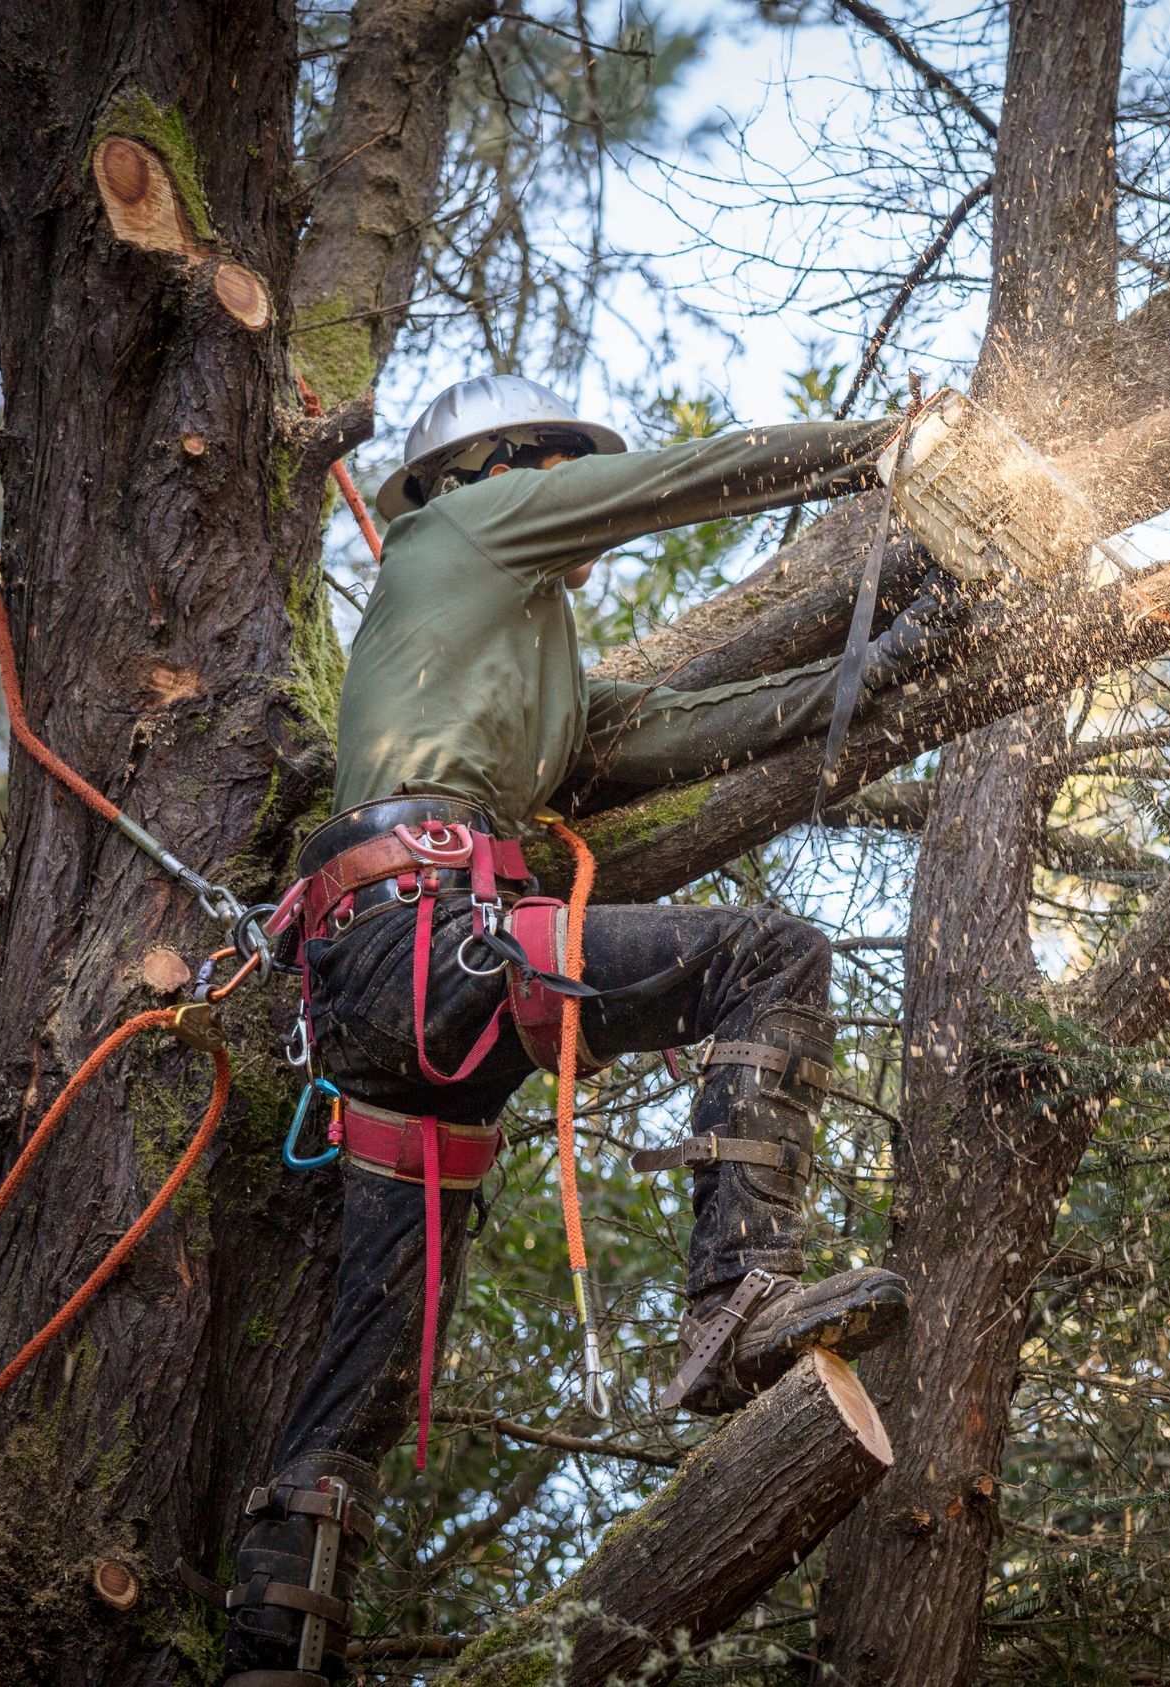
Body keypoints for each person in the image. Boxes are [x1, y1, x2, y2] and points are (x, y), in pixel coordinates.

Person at [222, 374, 922, 1684]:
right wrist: (876, 448)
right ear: (498, 467)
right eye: (547, 468)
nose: (566, 496)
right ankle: (732, 1297)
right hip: (420, 947)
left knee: (368, 1378)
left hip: (422, 1002)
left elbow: (675, 735)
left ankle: (275, 1645)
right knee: (768, 955)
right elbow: (676, 480)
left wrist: (888, 660)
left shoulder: (527, 652)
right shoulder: (462, 531)